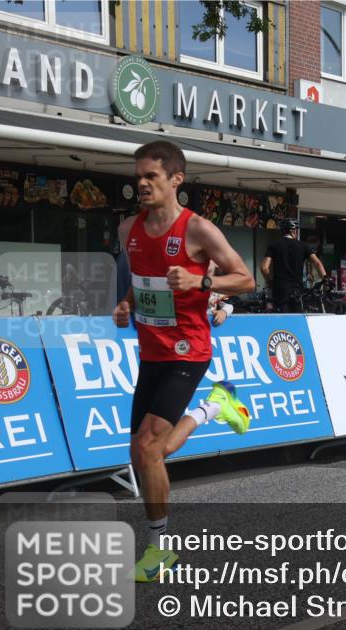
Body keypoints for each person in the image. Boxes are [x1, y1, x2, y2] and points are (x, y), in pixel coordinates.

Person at [113, 141, 254, 582]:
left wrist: (201, 281)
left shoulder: (198, 229)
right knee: (144, 454)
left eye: (151, 176)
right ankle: (213, 407)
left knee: (147, 449)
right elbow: (142, 279)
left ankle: (160, 549)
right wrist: (126, 303)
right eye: (138, 176)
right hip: (151, 351)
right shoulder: (127, 229)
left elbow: (246, 279)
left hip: (187, 350)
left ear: (176, 179)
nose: (142, 184)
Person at [261, 219, 326, 312]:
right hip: (297, 291)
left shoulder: (274, 245)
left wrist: (270, 282)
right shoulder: (303, 246)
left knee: (281, 319)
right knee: (297, 318)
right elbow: (317, 263)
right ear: (293, 230)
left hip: (280, 291)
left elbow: (264, 268)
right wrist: (325, 279)